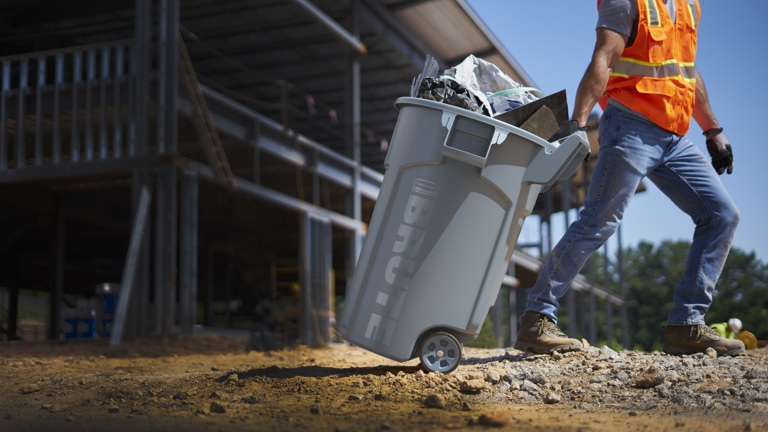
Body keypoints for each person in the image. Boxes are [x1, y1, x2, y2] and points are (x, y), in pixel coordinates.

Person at [514, 0, 744, 357]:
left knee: (722, 215)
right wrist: (577, 124)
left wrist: (712, 129)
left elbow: (688, 73)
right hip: (630, 126)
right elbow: (603, 58)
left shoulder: (688, 7)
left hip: (675, 137)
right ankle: (536, 319)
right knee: (599, 220)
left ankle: (686, 325)